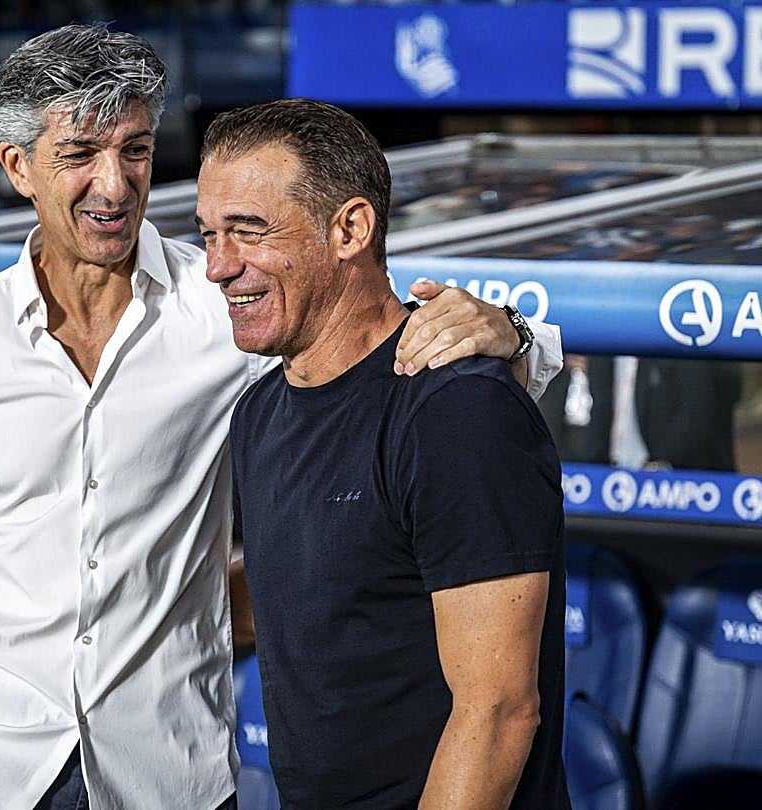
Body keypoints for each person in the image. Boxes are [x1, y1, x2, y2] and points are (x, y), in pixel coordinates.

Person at [0, 25, 562, 810]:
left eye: (134, 150)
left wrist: (512, 331)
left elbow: (362, 311)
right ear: (18, 167)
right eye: (80, 155)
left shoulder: (228, 306)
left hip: (170, 778)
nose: (115, 184)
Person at [202, 99, 568, 808]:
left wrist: (518, 334)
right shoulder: (258, 413)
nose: (219, 265)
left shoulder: (457, 409)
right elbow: (320, 602)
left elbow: (498, 714)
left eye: (248, 232)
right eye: (209, 234)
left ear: (351, 229)